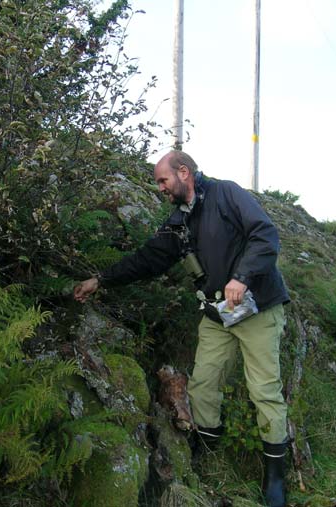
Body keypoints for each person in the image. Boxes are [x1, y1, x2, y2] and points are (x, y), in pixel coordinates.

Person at [73, 151, 290, 507]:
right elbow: (148, 259)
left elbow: (265, 234)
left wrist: (242, 277)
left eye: (163, 181)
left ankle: (275, 480)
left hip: (258, 309)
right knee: (203, 387)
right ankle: (207, 456)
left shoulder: (227, 194)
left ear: (184, 172)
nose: (160, 188)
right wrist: (100, 280)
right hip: (217, 317)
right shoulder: (179, 221)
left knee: (264, 390)